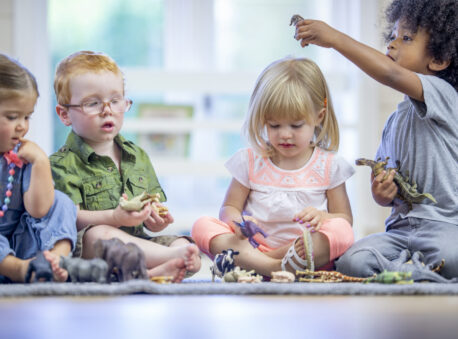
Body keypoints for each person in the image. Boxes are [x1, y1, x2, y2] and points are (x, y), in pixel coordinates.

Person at [293, 0, 457, 278]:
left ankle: (407, 272)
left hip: (445, 228)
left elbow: (390, 73)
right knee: (351, 261)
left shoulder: (445, 96)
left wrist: (335, 39)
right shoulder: (394, 121)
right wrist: (381, 193)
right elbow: (386, 198)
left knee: (451, 256)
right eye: (392, 36)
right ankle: (418, 272)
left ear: (438, 60)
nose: (392, 44)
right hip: (400, 232)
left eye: (406, 38)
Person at [192, 57, 355, 278]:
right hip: (255, 249)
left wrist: (323, 217)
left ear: (319, 117)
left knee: (341, 231)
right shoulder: (250, 160)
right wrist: (239, 222)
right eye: (274, 125)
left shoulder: (329, 165)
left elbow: (344, 219)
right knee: (202, 226)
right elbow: (229, 208)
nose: (285, 134)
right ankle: (274, 267)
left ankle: (264, 266)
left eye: (296, 125)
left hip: (303, 251)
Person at [50, 51, 201, 282]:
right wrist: (114, 216)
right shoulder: (61, 165)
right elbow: (71, 219)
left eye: (115, 100)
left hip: (138, 241)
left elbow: (151, 212)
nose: (107, 110)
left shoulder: (137, 155)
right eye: (93, 103)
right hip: (90, 250)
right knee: (99, 235)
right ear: (64, 114)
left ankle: (148, 271)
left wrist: (156, 220)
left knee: (186, 245)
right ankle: (161, 263)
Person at [0, 54, 77, 283]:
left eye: (27, 116)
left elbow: (39, 210)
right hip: (7, 259)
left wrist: (41, 163)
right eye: (12, 117)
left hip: (22, 244)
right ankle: (19, 270)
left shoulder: (19, 157)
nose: (22, 126)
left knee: (62, 201)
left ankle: (54, 262)